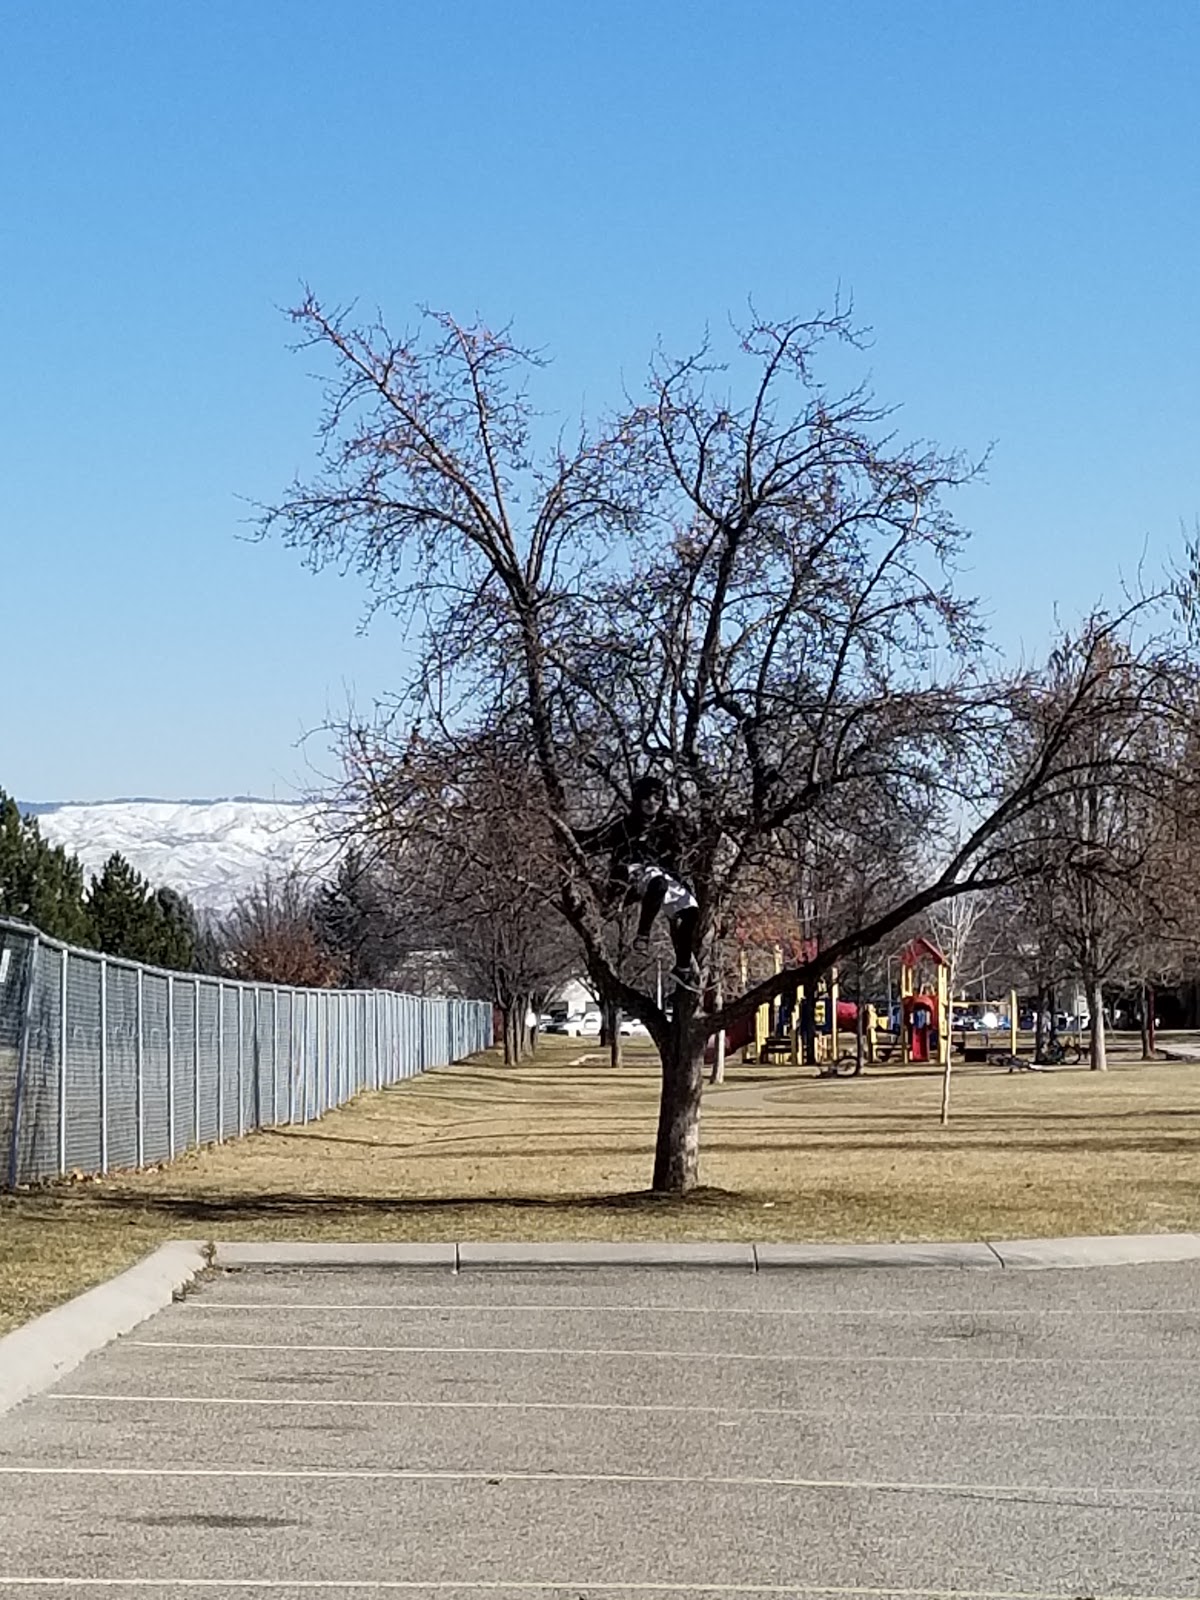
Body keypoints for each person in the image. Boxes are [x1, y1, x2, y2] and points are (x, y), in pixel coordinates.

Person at [575, 776, 701, 992]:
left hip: (661, 875)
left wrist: (684, 822)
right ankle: (643, 934)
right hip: (632, 873)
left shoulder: (666, 827)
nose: (652, 802)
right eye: (647, 797)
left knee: (690, 910)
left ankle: (682, 968)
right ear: (638, 799)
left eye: (657, 798)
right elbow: (593, 841)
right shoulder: (624, 825)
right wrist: (567, 835)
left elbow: (688, 842)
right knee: (658, 881)